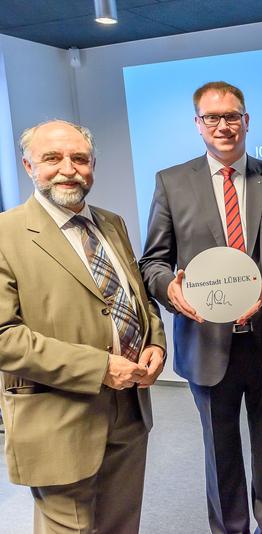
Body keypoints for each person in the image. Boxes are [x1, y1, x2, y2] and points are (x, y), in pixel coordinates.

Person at [139, 81, 262, 534]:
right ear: (198, 125)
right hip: (206, 345)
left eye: (232, 116)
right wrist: (168, 289)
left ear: (246, 121)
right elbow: (153, 260)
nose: (223, 125)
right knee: (221, 456)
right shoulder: (171, 183)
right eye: (212, 117)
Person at [0, 119, 166, 533]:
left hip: (128, 409)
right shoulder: (6, 234)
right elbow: (4, 337)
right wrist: (99, 367)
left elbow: (137, 299)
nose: (68, 169)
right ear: (28, 166)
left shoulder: (111, 223)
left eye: (80, 158)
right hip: (58, 415)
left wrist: (156, 344)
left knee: (121, 524)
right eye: (52, 158)